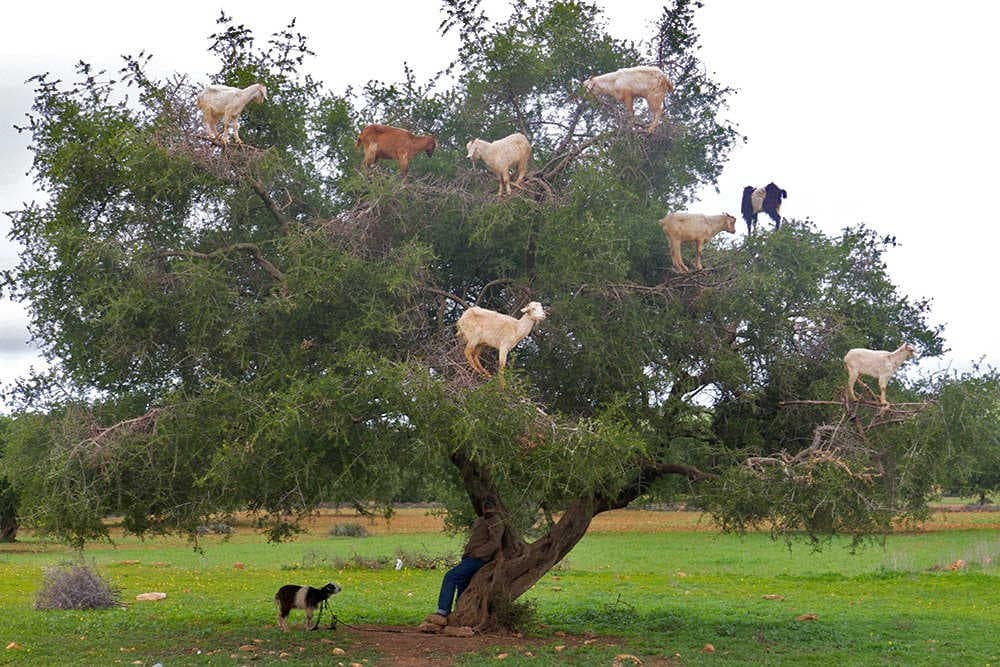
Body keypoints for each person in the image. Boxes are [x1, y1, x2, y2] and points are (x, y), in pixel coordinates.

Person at [424, 497, 504, 627]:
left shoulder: (496, 522)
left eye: (490, 506)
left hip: (477, 559)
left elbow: (494, 543)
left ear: (496, 507)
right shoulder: (482, 520)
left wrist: (477, 553)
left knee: (450, 576)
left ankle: (443, 611)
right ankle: (459, 613)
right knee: (462, 584)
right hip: (470, 558)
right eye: (485, 506)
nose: (487, 509)